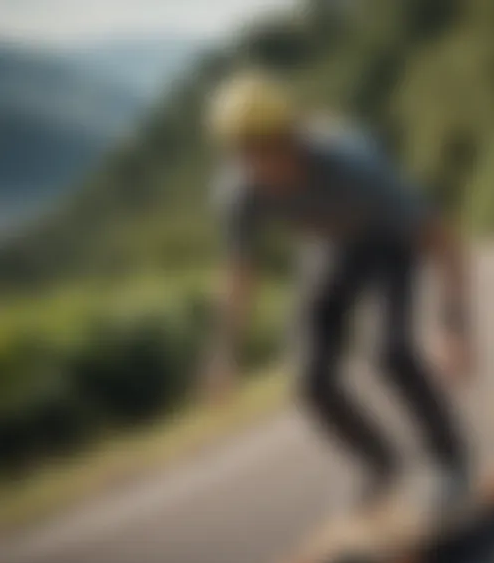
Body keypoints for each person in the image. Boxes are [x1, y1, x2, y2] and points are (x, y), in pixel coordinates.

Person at [204, 71, 478, 513]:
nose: (257, 167)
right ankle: (380, 464)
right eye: (243, 154)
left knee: (390, 352)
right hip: (328, 249)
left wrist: (455, 327)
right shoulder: (240, 191)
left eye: (265, 150)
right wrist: (223, 352)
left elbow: (444, 241)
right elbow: (239, 273)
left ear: (290, 137)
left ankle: (449, 463)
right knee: (309, 380)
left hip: (388, 243)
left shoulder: (355, 167)